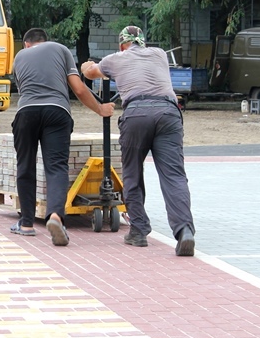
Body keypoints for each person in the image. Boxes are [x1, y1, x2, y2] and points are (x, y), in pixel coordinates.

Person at [80, 25, 196, 257]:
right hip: (168, 113)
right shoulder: (160, 54)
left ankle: (139, 231)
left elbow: (92, 73)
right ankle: (184, 231)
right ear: (142, 41)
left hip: (137, 113)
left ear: (122, 44)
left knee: (133, 173)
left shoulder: (116, 58)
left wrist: (86, 67)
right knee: (173, 175)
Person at [11, 28, 114, 246]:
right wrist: (100, 109)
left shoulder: (19, 57)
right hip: (57, 111)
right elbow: (78, 89)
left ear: (27, 44)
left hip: (26, 112)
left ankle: (27, 223)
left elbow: (23, 91)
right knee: (56, 167)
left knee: (25, 166)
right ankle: (56, 216)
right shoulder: (60, 49)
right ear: (45, 41)